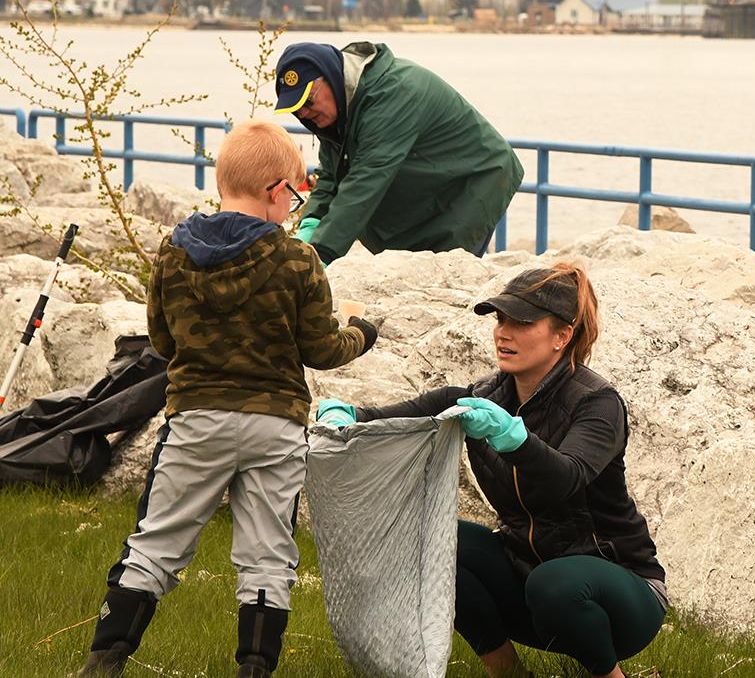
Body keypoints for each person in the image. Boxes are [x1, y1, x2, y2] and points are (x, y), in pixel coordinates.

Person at [78, 120, 378, 678]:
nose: (295, 207)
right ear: (274, 191)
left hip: (195, 420)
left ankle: (104, 660)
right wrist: (363, 332)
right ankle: (254, 668)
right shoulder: (297, 260)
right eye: (295, 194)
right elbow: (321, 349)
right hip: (276, 425)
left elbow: (162, 342)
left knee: (157, 542)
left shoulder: (173, 252)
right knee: (268, 555)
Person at [317, 264, 666, 678]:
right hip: (531, 583)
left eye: (521, 322)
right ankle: (508, 673)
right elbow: (390, 420)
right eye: (501, 319)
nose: (504, 331)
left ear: (562, 336)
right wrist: (348, 417)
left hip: (619, 595)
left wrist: (514, 440)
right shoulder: (484, 395)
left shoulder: (597, 402)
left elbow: (567, 478)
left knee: (555, 585)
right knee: (434, 540)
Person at [273, 41, 523, 265]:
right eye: (295, 109)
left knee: (443, 272)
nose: (304, 114)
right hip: (428, 191)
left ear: (331, 77)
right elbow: (331, 176)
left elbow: (366, 179)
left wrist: (321, 253)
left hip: (471, 184)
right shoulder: (341, 106)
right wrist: (310, 227)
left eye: (308, 101)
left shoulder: (392, 94)